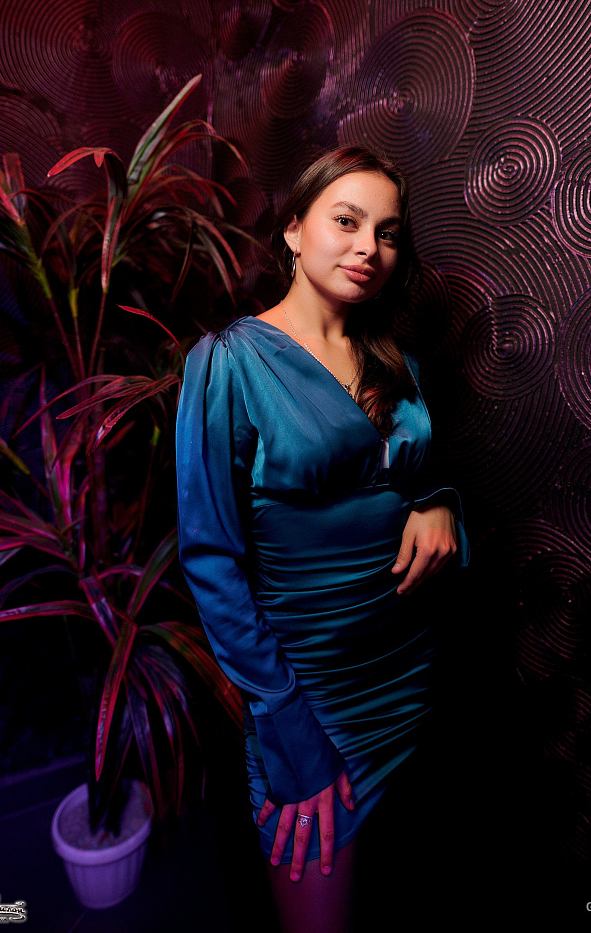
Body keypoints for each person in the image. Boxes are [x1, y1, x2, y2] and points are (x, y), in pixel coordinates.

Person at [175, 146, 468, 932]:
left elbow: (406, 480)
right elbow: (210, 560)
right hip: (312, 701)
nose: (369, 246)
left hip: (410, 674)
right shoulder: (229, 363)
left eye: (388, 232)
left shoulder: (397, 362)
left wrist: (439, 503)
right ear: (295, 230)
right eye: (347, 221)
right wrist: (289, 728)